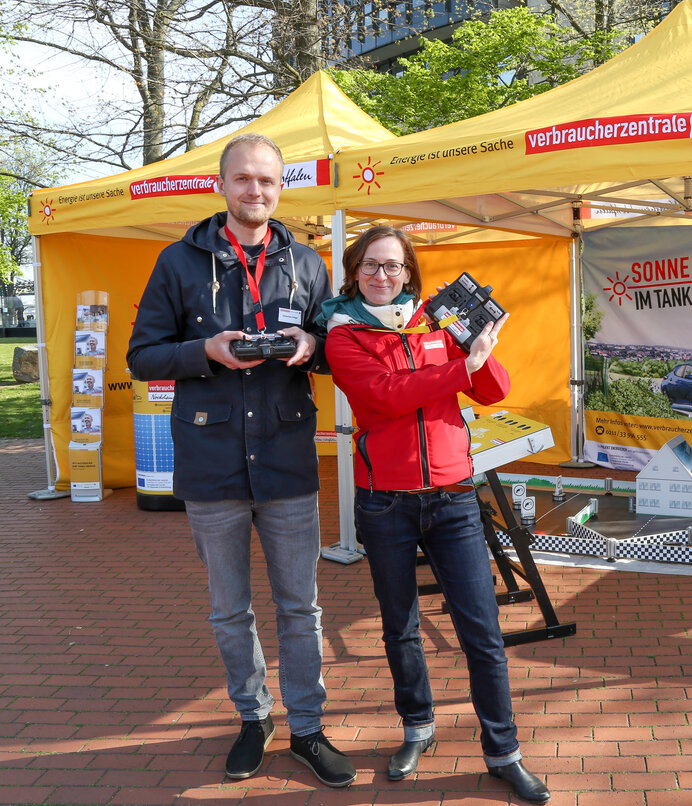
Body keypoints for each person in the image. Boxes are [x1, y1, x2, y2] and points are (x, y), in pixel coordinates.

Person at [126, 133, 355, 788]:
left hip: (286, 461)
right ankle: (253, 718)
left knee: (300, 607)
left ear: (281, 188)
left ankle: (307, 728)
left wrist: (312, 342)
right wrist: (208, 351)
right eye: (244, 180)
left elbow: (339, 351)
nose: (256, 191)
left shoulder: (306, 264)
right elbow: (141, 357)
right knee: (229, 609)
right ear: (221, 185)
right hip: (212, 463)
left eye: (268, 182)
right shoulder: (179, 262)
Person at [323, 226, 550, 804]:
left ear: (409, 272)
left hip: (452, 499)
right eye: (372, 266)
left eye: (394, 266)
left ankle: (504, 753)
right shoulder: (343, 335)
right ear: (355, 272)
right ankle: (417, 726)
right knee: (400, 626)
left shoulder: (437, 322)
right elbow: (386, 395)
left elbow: (492, 391)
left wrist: (482, 353)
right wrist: (460, 366)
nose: (383, 276)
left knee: (481, 630)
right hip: (384, 502)